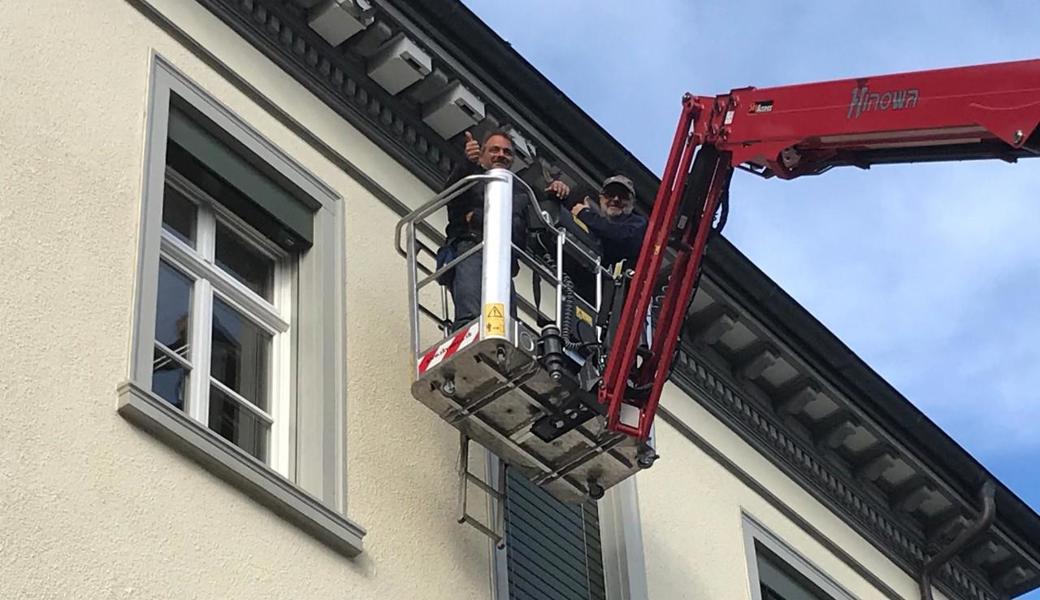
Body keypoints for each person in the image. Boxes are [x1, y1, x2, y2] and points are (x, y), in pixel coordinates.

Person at [441, 130, 569, 328]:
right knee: (471, 317)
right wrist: (467, 163)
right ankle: (466, 331)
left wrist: (556, 193)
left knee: (504, 324)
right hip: (471, 249)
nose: (501, 154)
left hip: (504, 261)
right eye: (494, 150)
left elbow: (542, 219)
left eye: (507, 152)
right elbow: (450, 195)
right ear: (482, 155)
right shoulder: (470, 179)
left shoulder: (520, 192)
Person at [568, 175, 647, 267]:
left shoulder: (637, 223)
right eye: (610, 193)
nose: (616, 199)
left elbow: (622, 236)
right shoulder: (593, 216)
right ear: (601, 198)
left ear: (632, 203)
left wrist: (586, 215)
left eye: (623, 196)